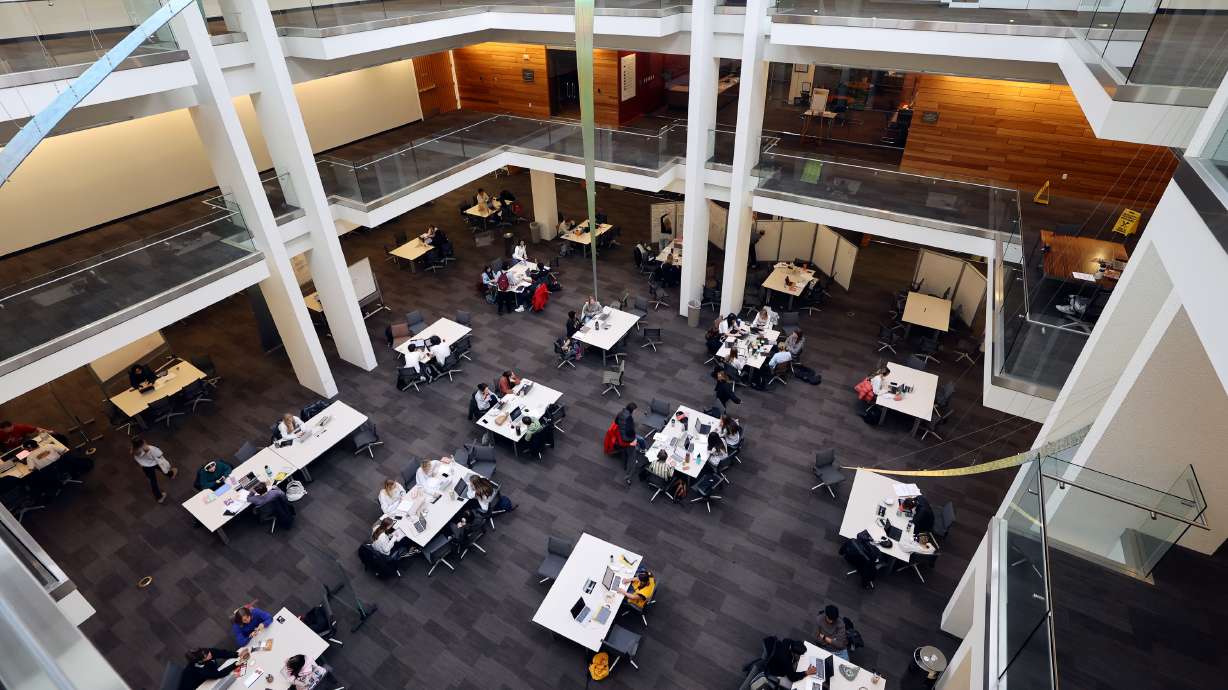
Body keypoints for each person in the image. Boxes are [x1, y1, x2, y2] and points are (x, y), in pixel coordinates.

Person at [177, 647, 249, 690]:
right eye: (207, 656)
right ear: (201, 661)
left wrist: (237, 654)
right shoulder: (198, 669)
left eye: (208, 652)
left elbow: (222, 653)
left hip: (207, 681)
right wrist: (235, 664)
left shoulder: (206, 652)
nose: (210, 654)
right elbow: (218, 674)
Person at [131, 436, 177, 503]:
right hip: (155, 463)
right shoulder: (150, 449)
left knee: (153, 481)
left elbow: (137, 458)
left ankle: (159, 497)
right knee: (164, 469)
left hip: (145, 467)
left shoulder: (134, 450)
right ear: (143, 442)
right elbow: (159, 454)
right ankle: (171, 475)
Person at [616, 403, 643, 486]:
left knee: (640, 441)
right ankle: (628, 477)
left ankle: (625, 462)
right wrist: (633, 440)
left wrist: (622, 429)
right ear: (632, 410)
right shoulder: (629, 418)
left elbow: (616, 422)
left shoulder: (620, 413)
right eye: (634, 410)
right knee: (632, 459)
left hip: (621, 436)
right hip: (628, 440)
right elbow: (630, 431)